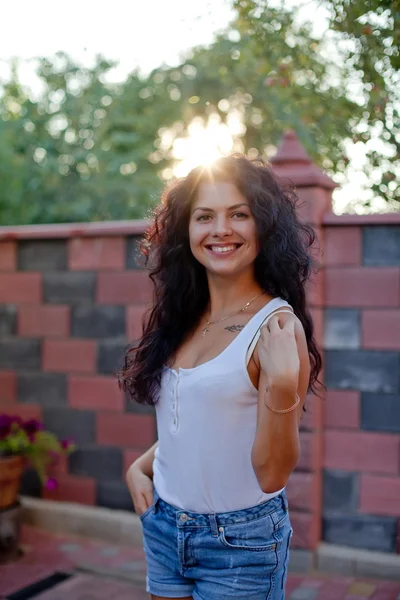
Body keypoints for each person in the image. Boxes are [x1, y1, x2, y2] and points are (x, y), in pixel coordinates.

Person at [119, 155, 322, 600]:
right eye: (204, 216)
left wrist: (285, 386)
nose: (220, 230)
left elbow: (271, 474)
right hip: (165, 525)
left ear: (263, 227)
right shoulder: (186, 315)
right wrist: (141, 466)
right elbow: (201, 420)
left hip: (240, 543)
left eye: (239, 215)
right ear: (185, 231)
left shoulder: (275, 328)